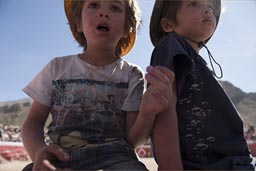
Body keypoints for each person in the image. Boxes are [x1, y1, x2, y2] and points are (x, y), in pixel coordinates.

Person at [21, 0, 175, 170]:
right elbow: (33, 123)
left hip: (116, 158)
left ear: (127, 28)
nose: (104, 13)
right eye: (93, 5)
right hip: (61, 156)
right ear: (79, 23)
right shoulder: (56, 67)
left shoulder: (132, 74)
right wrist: (38, 153)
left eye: (115, 8)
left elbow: (132, 141)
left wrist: (147, 113)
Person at [149, 0, 255, 170]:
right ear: (168, 24)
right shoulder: (171, 45)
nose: (207, 9)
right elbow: (164, 109)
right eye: (194, 4)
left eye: (210, 7)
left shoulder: (199, 65)